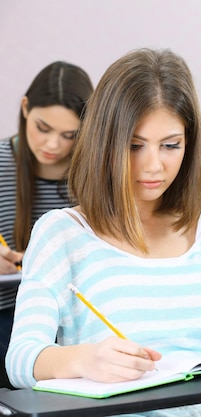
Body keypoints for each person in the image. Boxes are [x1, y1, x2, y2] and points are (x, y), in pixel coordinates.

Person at [6, 48, 201, 417]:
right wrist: (83, 359)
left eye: (171, 145)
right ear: (105, 141)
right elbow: (21, 360)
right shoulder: (61, 234)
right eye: (134, 146)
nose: (153, 166)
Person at [0, 61, 93, 388]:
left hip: (76, 321)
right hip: (7, 314)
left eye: (69, 135)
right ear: (25, 108)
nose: (53, 145)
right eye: (43, 128)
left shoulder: (94, 177)